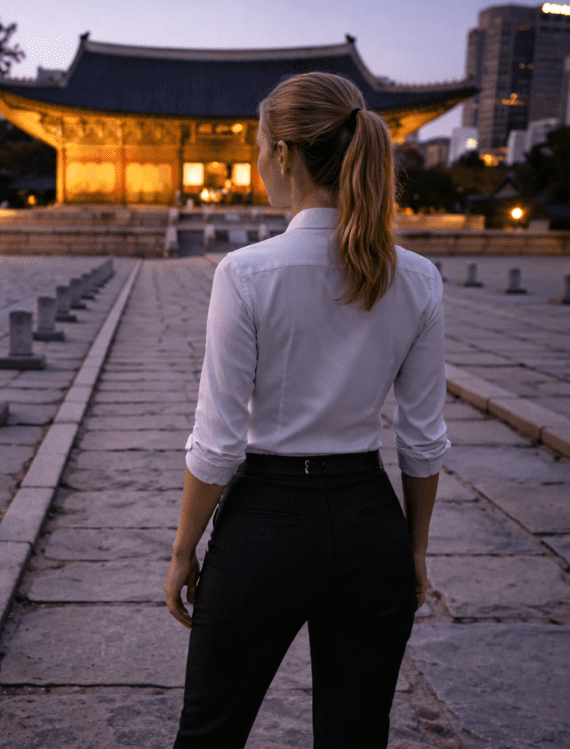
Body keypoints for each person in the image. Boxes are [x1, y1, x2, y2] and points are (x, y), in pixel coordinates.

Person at [164, 71, 449, 749]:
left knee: (210, 732)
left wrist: (184, 550)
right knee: (356, 739)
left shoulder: (247, 272)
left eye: (260, 147)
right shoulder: (414, 275)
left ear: (285, 155)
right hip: (369, 520)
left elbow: (218, 443)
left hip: (265, 523)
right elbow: (423, 440)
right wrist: (413, 549)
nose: (258, 161)